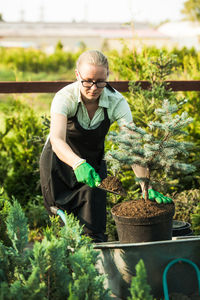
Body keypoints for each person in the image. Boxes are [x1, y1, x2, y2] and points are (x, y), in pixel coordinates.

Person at [40, 50, 172, 243]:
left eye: (100, 82)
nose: (93, 88)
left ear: (107, 77)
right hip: (58, 165)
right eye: (87, 81)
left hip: (92, 165)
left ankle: (96, 269)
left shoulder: (116, 101)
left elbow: (131, 146)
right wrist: (77, 164)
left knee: (94, 227)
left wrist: (146, 184)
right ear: (77, 75)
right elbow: (57, 140)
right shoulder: (64, 97)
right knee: (64, 228)